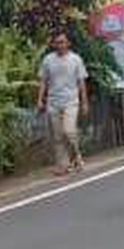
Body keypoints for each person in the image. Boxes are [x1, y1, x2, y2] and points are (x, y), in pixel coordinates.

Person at [37, 31, 89, 175]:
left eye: (62, 42)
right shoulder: (48, 60)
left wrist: (85, 102)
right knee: (58, 136)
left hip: (71, 101)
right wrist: (40, 100)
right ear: (53, 44)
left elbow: (81, 82)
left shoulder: (75, 59)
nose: (60, 45)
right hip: (53, 102)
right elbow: (43, 81)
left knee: (69, 131)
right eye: (57, 42)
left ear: (68, 43)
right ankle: (63, 165)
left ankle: (76, 157)